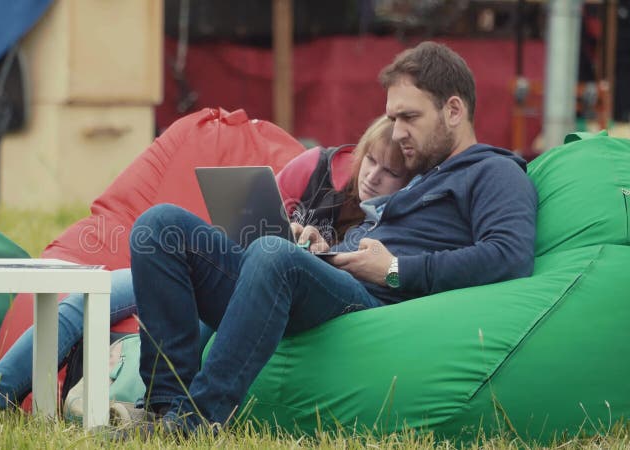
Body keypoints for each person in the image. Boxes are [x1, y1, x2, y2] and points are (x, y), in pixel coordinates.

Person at [122, 41, 537, 438]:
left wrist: (393, 270)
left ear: (453, 110)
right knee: (160, 227)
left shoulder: (494, 172)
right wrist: (319, 248)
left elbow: (510, 255)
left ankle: (200, 421)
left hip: (374, 306)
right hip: (328, 280)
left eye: (409, 118)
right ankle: (165, 411)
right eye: (392, 119)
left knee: (273, 256)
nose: (396, 133)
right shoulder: (422, 174)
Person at [0, 115, 412, 417]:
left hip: (269, 294)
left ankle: (154, 410)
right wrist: (288, 228)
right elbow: (258, 212)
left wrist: (320, 249)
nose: (372, 176)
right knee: (84, 301)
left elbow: (371, 279)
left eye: (390, 173)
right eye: (370, 160)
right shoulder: (319, 167)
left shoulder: (399, 217)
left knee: (197, 317)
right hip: (232, 263)